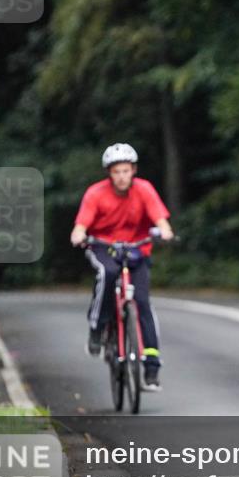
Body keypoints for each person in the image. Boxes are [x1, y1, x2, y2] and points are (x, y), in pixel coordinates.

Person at [70, 143, 174, 392]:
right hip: (102, 247)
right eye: (116, 171)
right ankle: (97, 328)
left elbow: (161, 220)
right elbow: (81, 225)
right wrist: (79, 234)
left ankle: (151, 367)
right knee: (108, 273)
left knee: (142, 302)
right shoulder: (96, 194)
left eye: (126, 171)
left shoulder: (144, 190)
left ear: (134, 170)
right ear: (109, 173)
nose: (121, 177)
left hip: (137, 249)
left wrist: (166, 232)